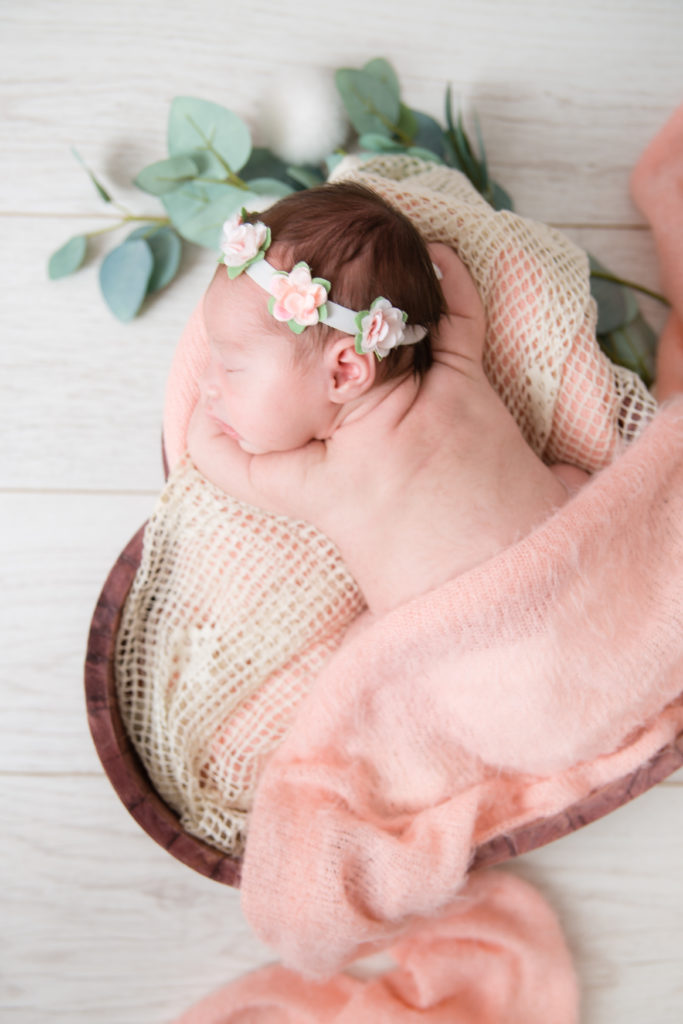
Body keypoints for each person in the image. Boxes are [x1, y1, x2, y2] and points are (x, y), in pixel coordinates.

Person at [187, 182, 588, 616]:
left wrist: (204, 415)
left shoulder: (325, 480)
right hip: (576, 566)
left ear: (345, 371)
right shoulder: (457, 368)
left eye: (230, 367)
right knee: (573, 481)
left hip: (473, 636)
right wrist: (403, 262)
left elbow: (213, 453)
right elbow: (448, 271)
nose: (207, 382)